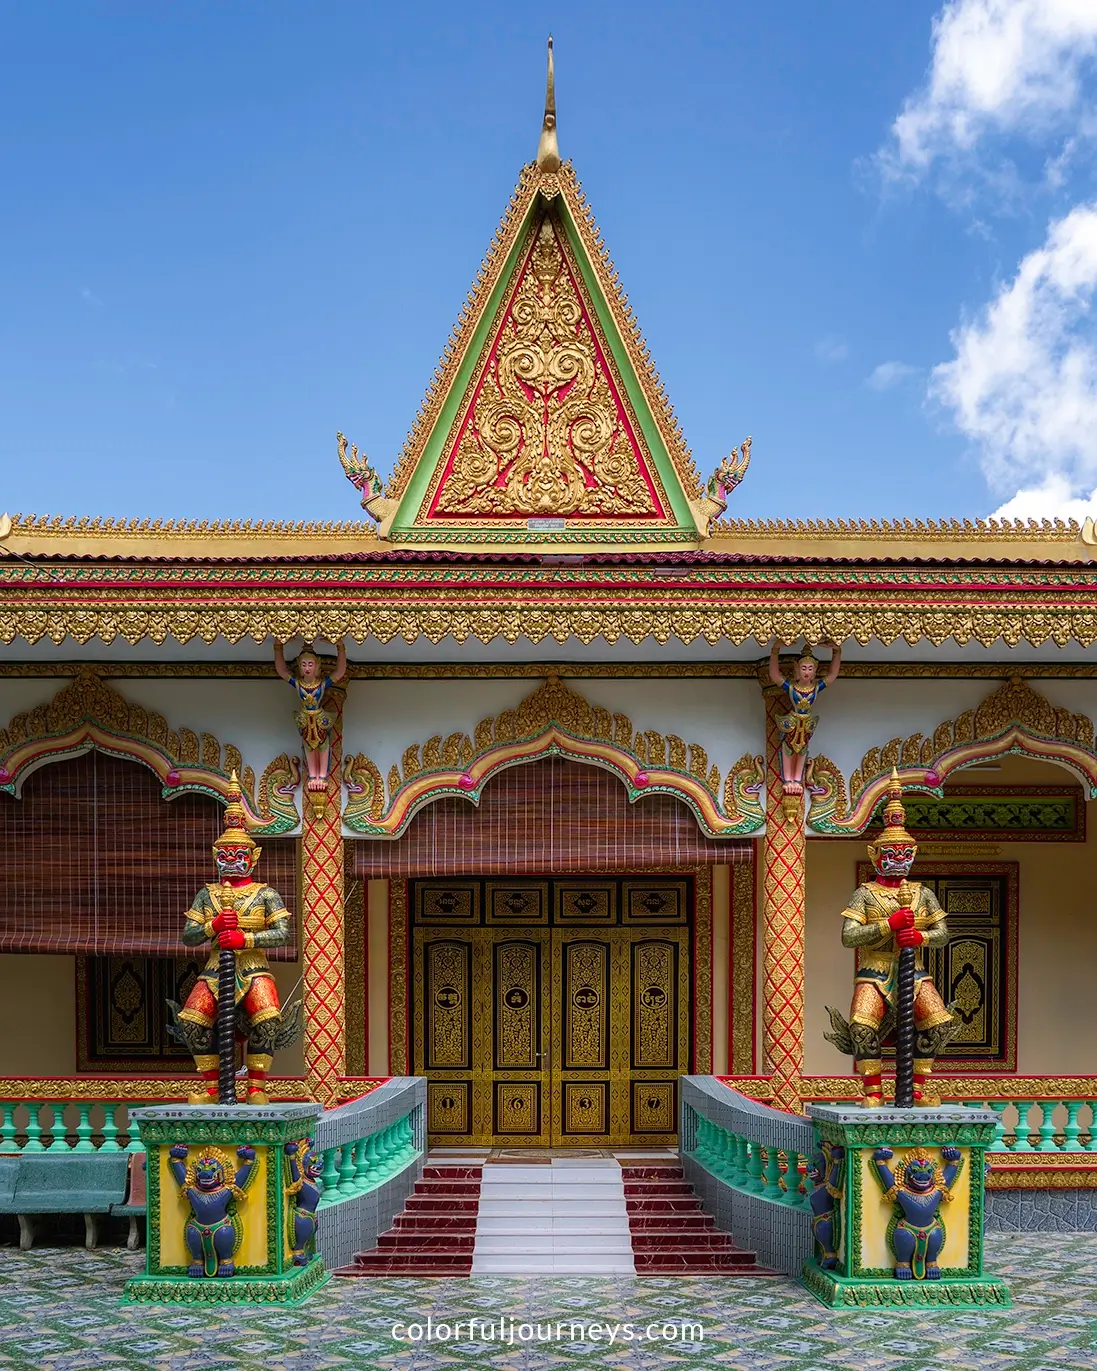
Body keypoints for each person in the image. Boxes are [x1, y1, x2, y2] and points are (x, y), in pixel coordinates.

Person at [768, 639, 841, 795]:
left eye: (810, 668)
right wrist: (775, 649)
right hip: (793, 721)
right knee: (788, 748)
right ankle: (788, 779)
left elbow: (832, 675)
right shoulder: (792, 688)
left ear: (815, 670)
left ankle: (797, 778)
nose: (806, 672)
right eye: (803, 668)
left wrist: (836, 652)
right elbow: (774, 675)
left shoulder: (815, 688)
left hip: (807, 723)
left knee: (802, 750)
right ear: (797, 670)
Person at [274, 640, 348, 792]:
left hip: (320, 718)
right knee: (308, 745)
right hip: (306, 719)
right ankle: (313, 775)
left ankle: (322, 775)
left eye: (310, 664)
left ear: (317, 666)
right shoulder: (298, 683)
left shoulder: (321, 683)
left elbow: (340, 672)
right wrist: (278, 647)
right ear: (300, 667)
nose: (307, 668)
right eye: (304, 664)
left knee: (323, 745)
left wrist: (340, 647)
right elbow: (282, 671)